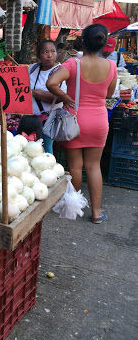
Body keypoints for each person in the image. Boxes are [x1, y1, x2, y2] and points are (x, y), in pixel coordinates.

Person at [46, 24, 117, 224]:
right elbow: (109, 94)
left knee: (75, 167)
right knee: (94, 167)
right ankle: (95, 213)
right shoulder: (111, 66)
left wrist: (66, 97)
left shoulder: (72, 64)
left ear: (82, 41)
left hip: (74, 120)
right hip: (99, 121)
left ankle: (74, 206)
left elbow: (51, 83)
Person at [28, 40, 67, 154]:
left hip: (50, 119)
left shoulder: (62, 71)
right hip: (31, 118)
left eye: (53, 51)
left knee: (46, 149)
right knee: (31, 149)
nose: (50, 55)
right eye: (45, 52)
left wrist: (34, 92)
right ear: (39, 54)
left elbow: (59, 97)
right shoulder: (33, 68)